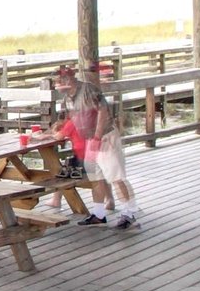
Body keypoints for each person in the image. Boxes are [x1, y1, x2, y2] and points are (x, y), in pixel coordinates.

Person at [77, 63, 139, 229]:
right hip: (91, 139)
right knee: (96, 177)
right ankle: (99, 213)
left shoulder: (98, 93)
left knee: (117, 176)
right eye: (86, 73)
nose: (89, 76)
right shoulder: (84, 93)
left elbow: (104, 115)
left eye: (92, 72)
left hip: (106, 138)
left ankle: (129, 213)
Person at [52, 65, 116, 227]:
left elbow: (103, 110)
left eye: (59, 81)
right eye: (56, 82)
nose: (57, 85)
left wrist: (97, 136)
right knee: (97, 175)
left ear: (69, 80)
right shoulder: (67, 99)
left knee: (106, 174)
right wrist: (58, 126)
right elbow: (66, 120)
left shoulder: (88, 91)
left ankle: (125, 211)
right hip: (87, 143)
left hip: (99, 139)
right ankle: (100, 212)